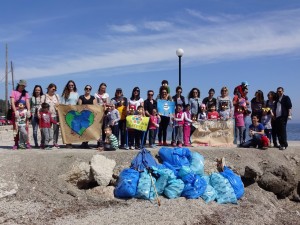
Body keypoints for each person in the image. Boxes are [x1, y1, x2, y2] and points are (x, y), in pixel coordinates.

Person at [10, 80, 31, 150]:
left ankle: (27, 142)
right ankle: (16, 143)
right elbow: (12, 102)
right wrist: (15, 111)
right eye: (22, 85)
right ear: (19, 85)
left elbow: (27, 102)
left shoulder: (26, 93)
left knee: (26, 128)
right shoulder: (14, 92)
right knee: (16, 128)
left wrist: (28, 110)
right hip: (16, 111)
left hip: (24, 112)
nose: (23, 87)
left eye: (24, 86)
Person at [40, 83, 60, 149]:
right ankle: (43, 143)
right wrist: (39, 113)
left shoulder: (57, 96)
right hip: (46, 116)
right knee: (45, 130)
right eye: (53, 89)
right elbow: (40, 105)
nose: (54, 90)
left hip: (55, 115)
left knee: (56, 130)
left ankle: (55, 142)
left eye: (55, 89)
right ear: (48, 88)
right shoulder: (44, 96)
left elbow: (59, 105)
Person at [61, 80, 79, 148]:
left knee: (73, 128)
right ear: (67, 86)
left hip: (74, 113)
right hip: (67, 112)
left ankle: (71, 141)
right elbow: (62, 103)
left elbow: (78, 103)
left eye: (72, 85)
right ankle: (68, 143)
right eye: (69, 85)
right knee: (67, 128)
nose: (71, 86)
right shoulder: (65, 93)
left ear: (74, 86)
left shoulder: (76, 94)